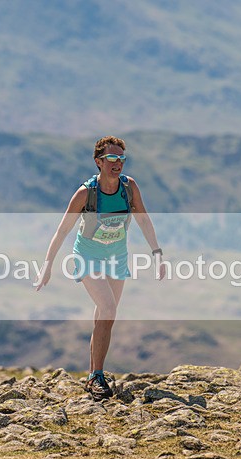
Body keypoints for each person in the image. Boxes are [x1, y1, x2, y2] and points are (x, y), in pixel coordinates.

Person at [35, 135, 166, 400]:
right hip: (87, 256)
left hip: (116, 256)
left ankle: (93, 373)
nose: (117, 163)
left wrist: (157, 252)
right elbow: (62, 231)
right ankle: (97, 376)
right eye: (111, 158)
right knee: (107, 309)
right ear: (98, 161)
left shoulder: (129, 188)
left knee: (104, 316)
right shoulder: (86, 193)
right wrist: (47, 266)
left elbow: (143, 219)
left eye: (121, 158)